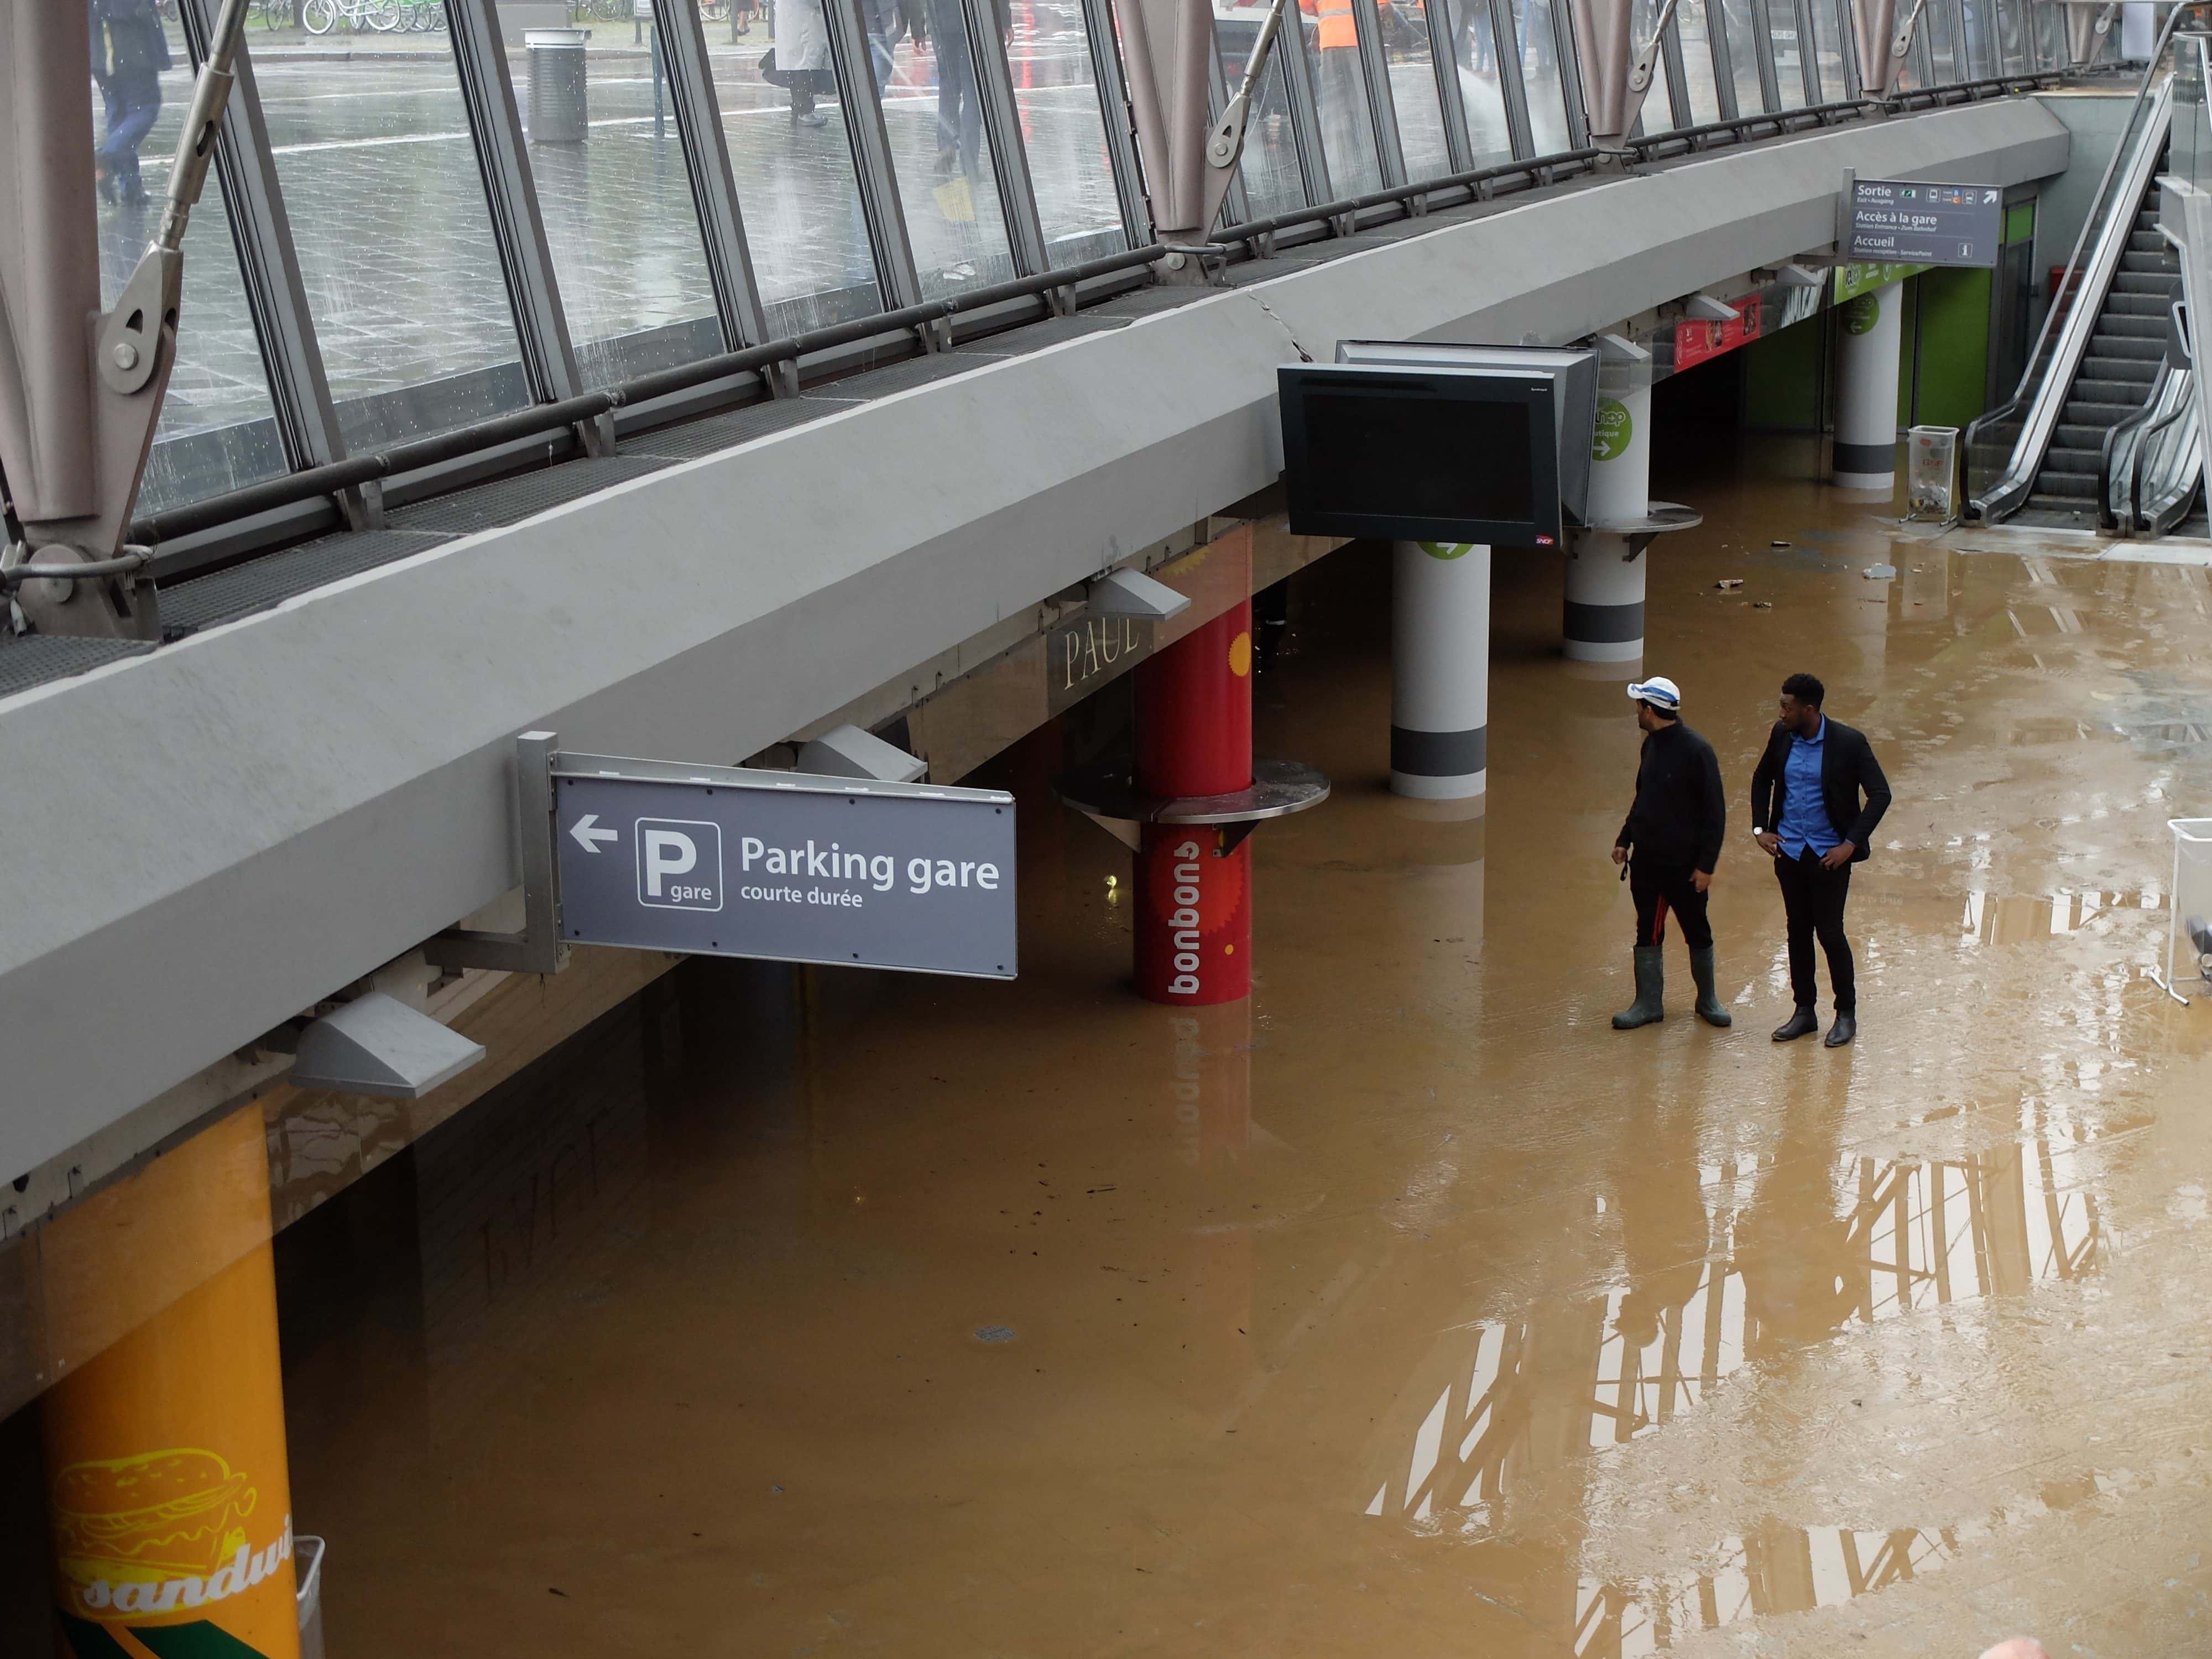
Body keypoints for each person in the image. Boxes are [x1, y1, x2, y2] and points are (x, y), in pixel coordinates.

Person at [1750, 672, 1892, 1048]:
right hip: (1790, 851)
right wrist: (1760, 829)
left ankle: (1846, 1014)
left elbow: (1880, 794)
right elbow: (1762, 779)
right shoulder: (1782, 737)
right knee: (1797, 929)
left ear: (1808, 710)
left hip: (1830, 856)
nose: (1781, 713)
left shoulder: (1849, 742)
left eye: (1787, 707)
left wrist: (1850, 844)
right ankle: (1805, 1012)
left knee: (1829, 932)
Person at [1610, 676, 1730, 1031]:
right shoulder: (1650, 746)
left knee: (1698, 930)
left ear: (1650, 710)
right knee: (1648, 930)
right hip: (1647, 864)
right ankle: (1648, 1004)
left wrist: (1706, 866)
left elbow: (1715, 813)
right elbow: (1642, 798)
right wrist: (1624, 839)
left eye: (1638, 706)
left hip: (1686, 867)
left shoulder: (1698, 750)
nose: (1636, 712)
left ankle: (1707, 1000)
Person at [89, 0, 173, 208]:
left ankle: (131, 188)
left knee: (118, 114)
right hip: (128, 46)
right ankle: (107, 159)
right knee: (145, 108)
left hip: (99, 47)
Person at [773, 0, 832, 127]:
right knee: (804, 68)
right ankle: (805, 112)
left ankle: (800, 110)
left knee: (798, 67)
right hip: (803, 21)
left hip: (796, 20)